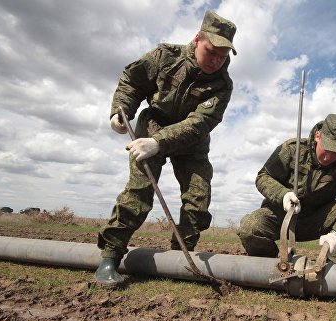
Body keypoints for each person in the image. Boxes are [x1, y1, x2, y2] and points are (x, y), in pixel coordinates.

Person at [95, 10, 237, 286]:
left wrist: (159, 143)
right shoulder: (164, 57)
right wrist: (119, 111)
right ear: (198, 39)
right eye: (212, 52)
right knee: (139, 193)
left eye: (223, 56)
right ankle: (110, 256)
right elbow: (132, 81)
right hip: (152, 126)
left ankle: (179, 260)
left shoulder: (222, 85)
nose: (217, 61)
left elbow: (200, 123)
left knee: (198, 200)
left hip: (191, 141)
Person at [237, 114, 336, 265]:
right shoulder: (292, 150)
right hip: (282, 217)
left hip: (315, 221)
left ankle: (331, 275)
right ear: (318, 136)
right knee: (249, 228)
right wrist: (283, 195)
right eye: (327, 148)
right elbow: (263, 176)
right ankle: (271, 267)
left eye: (335, 152)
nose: (328, 157)